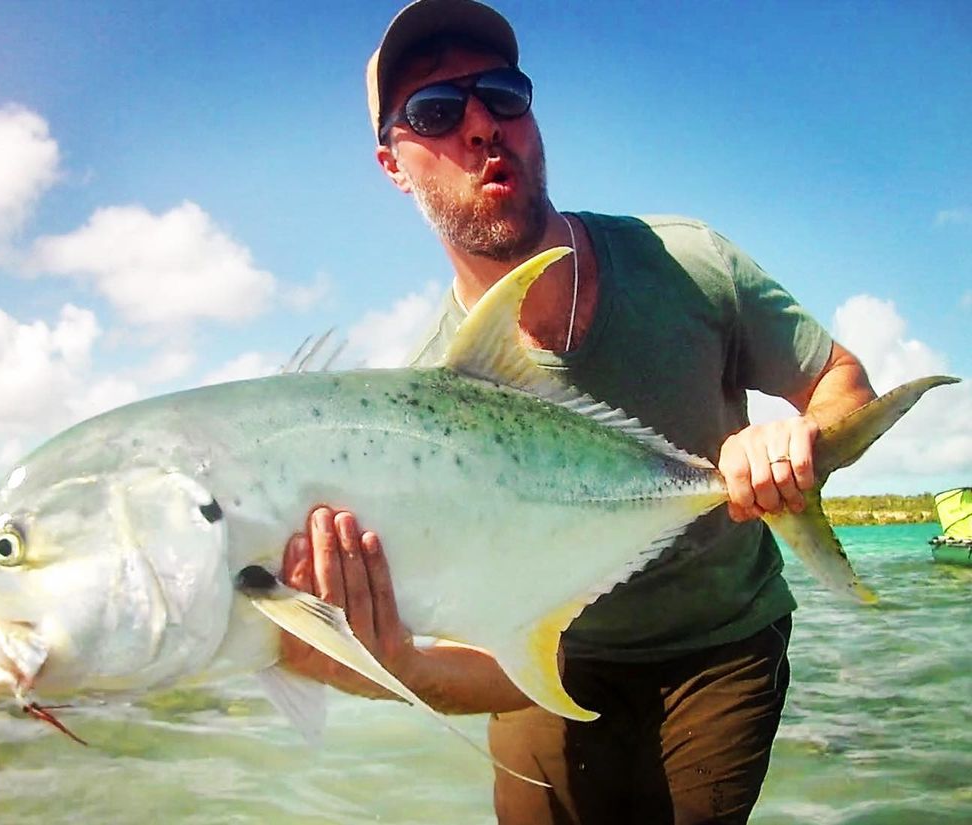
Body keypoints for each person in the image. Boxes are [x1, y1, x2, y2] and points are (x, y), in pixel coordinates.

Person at [279, 1, 877, 822]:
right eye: (437, 112)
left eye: (503, 92)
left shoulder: (688, 264)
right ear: (392, 163)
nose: (483, 125)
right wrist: (396, 665)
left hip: (720, 640)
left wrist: (799, 441)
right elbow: (480, 661)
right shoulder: (419, 408)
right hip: (550, 656)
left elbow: (839, 376)